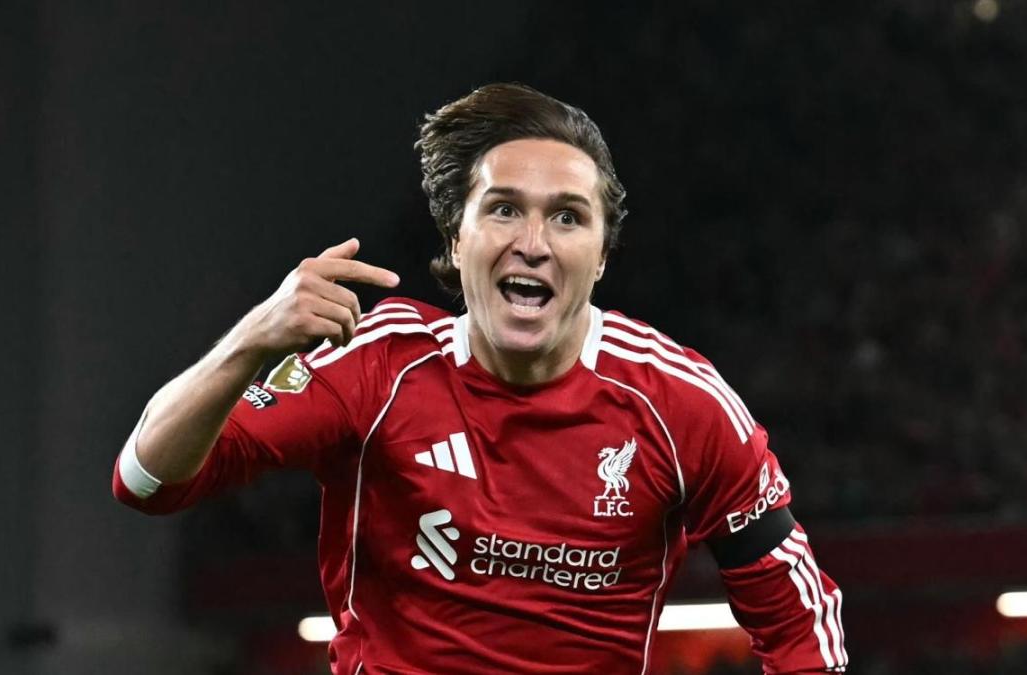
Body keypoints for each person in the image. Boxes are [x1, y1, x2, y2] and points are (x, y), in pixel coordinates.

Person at [112, 83, 848, 674]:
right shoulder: (377, 365)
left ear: (602, 255)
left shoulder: (679, 404)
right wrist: (250, 341)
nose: (532, 244)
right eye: (503, 210)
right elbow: (146, 480)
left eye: (567, 217)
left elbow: (800, 625)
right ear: (456, 238)